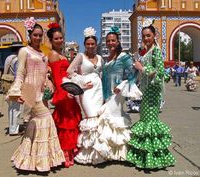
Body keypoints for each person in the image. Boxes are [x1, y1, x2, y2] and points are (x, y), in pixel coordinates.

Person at [8, 17, 65, 172]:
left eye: (40, 35)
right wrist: (16, 91)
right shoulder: (24, 51)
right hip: (30, 89)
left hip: (41, 91)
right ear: (29, 35)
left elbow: (45, 71)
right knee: (46, 118)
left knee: (36, 124)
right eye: (35, 35)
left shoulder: (42, 52)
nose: (38, 38)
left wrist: (49, 80)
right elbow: (20, 73)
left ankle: (30, 159)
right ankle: (40, 159)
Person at [127, 19, 176, 169]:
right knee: (145, 120)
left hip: (153, 93)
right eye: (144, 36)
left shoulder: (155, 51)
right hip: (146, 92)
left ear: (155, 35)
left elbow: (160, 73)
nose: (146, 38)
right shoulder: (148, 51)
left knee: (150, 123)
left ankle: (153, 158)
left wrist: (141, 68)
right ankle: (146, 157)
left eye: (148, 35)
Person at [94, 26, 142, 161]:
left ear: (118, 41)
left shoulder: (124, 56)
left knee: (112, 120)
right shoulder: (107, 57)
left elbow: (134, 72)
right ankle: (112, 153)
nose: (110, 43)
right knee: (108, 119)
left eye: (113, 40)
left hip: (117, 93)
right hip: (107, 93)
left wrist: (122, 86)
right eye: (108, 41)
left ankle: (120, 153)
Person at [67, 27, 105, 164]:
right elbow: (69, 71)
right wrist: (81, 83)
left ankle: (98, 152)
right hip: (87, 92)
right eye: (88, 44)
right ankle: (87, 153)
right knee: (91, 118)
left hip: (98, 92)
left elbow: (101, 74)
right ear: (84, 45)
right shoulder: (80, 56)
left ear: (96, 44)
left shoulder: (100, 57)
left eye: (92, 44)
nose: (90, 46)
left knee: (98, 118)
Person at [47, 22, 82, 168]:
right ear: (51, 40)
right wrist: (63, 95)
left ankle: (70, 152)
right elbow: (56, 78)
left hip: (69, 91)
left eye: (61, 38)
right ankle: (65, 154)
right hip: (64, 93)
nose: (60, 40)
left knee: (72, 123)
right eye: (56, 39)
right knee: (66, 125)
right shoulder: (53, 55)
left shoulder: (61, 54)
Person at [3, 46, 23, 136]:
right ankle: (14, 130)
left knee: (11, 108)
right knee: (16, 109)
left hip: (7, 84)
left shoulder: (8, 58)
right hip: (15, 86)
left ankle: (12, 127)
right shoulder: (17, 59)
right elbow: (17, 73)